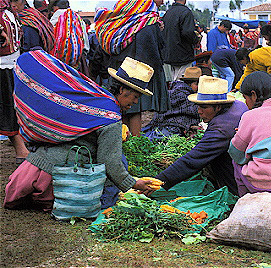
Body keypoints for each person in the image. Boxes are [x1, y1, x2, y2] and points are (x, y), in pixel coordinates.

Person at [4, 52, 157, 210]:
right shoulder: (111, 117)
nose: (136, 102)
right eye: (135, 96)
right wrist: (133, 183)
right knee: (117, 166)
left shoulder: (96, 98)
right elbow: (110, 163)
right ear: (122, 90)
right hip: (57, 176)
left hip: (34, 168)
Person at [155, 76, 248, 196]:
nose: (199, 111)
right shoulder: (238, 105)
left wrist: (159, 181)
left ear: (218, 107)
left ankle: (233, 196)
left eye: (203, 107)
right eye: (198, 106)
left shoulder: (221, 129)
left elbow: (193, 160)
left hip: (240, 175)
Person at [95, 0, 170, 137]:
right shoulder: (147, 21)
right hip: (135, 70)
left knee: (122, 108)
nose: (163, 1)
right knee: (134, 109)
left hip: (120, 67)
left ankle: (123, 140)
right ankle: (133, 141)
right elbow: (150, 49)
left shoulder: (123, 20)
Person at [0, 0, 29, 166]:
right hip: (2, 65)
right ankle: (20, 149)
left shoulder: (7, 9)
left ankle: (21, 148)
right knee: (7, 107)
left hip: (11, 64)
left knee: (11, 106)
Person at [141, 67, 202, 140]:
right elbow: (196, 111)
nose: (199, 87)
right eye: (197, 84)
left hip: (158, 124)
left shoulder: (173, 90)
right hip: (171, 127)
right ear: (189, 84)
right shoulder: (184, 96)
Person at [162, 0, 199, 82]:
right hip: (183, 53)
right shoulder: (185, 12)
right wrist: (195, 40)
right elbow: (187, 32)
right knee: (181, 82)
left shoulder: (168, 13)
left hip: (169, 53)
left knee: (172, 81)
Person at [49, 0, 89, 72]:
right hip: (78, 60)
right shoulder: (79, 19)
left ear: (56, 7)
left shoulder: (56, 16)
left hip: (58, 61)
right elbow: (85, 41)